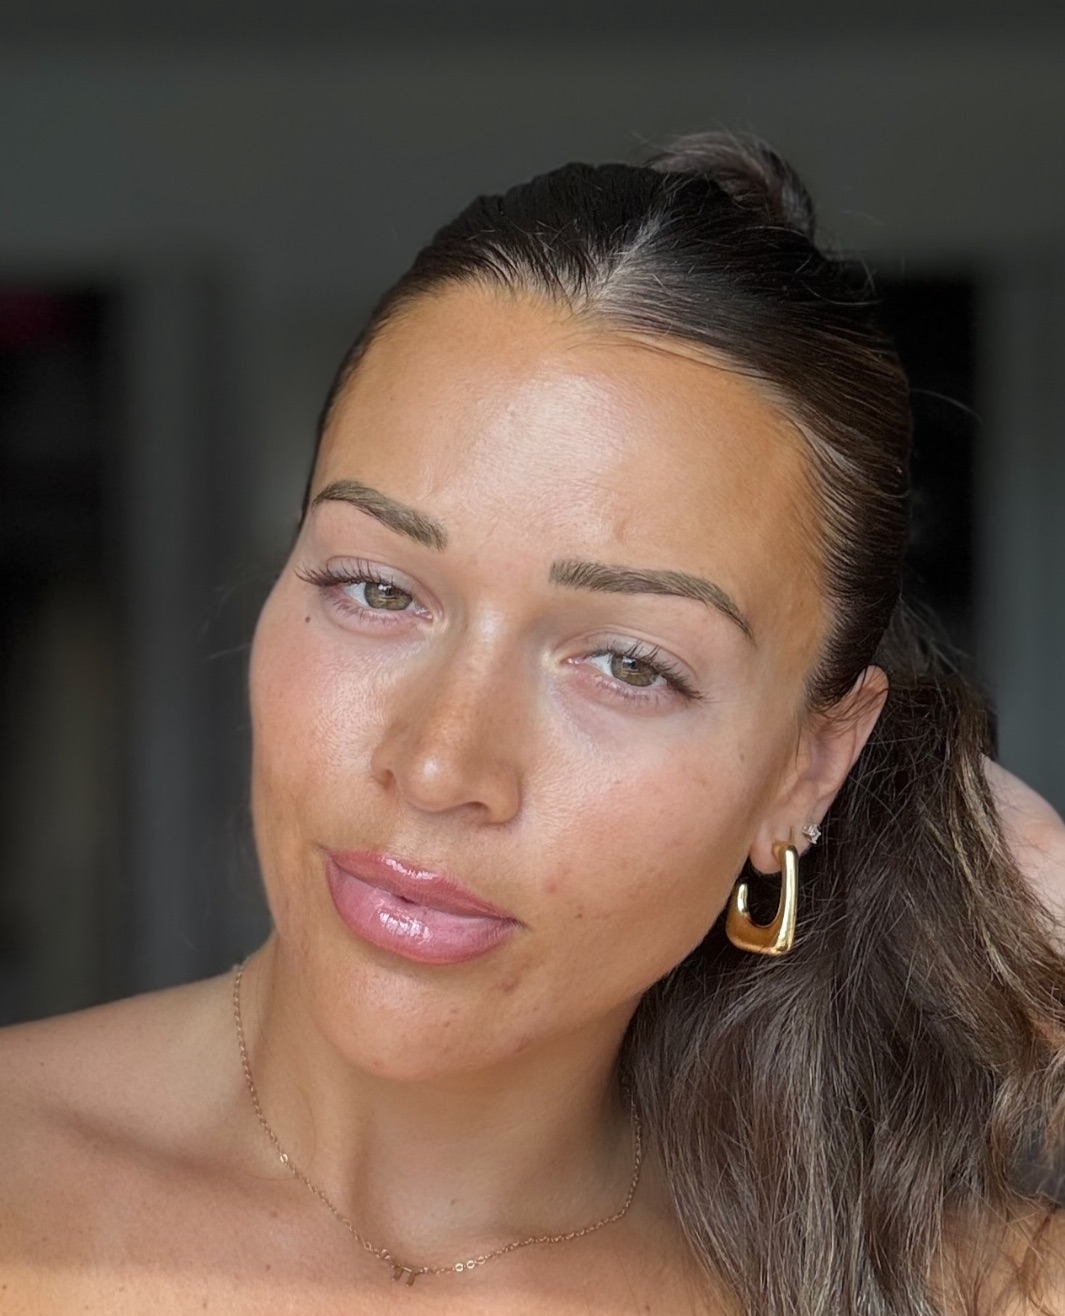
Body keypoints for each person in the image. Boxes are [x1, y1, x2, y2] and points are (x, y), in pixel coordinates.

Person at [1, 132, 1064, 1316]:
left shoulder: (958, 1288)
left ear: (812, 763)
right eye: (377, 588)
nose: (440, 762)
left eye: (627, 663)